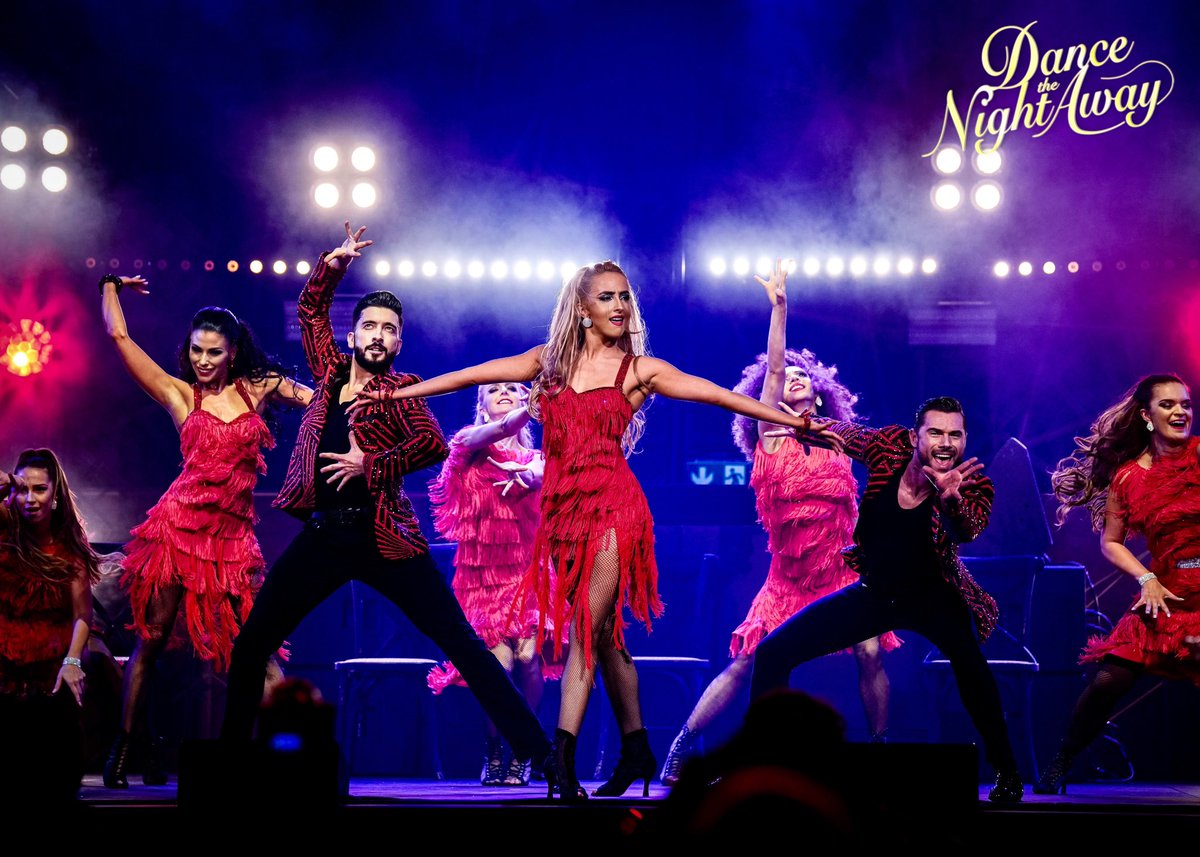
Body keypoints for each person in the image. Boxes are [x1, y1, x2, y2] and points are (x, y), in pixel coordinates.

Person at [356, 258, 829, 801]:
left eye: (625, 296)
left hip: (615, 509)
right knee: (606, 639)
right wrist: (394, 394)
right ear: (582, 309)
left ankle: (559, 755)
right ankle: (637, 749)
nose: (620, 306)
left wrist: (792, 421)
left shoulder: (639, 370)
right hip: (563, 517)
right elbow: (470, 374)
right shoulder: (547, 364)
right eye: (607, 297)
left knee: (584, 626)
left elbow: (715, 393)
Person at [220, 223, 553, 780]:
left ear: (398, 343)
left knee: (463, 645)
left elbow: (429, 442)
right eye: (369, 326)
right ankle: (230, 766)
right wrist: (335, 264)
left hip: (385, 537)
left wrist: (367, 464)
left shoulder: (403, 389)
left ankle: (542, 758)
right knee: (252, 642)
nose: (377, 335)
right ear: (353, 336)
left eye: (388, 330)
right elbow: (310, 311)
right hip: (325, 535)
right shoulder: (328, 375)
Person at [659, 261, 897, 785]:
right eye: (784, 376)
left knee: (870, 651)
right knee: (748, 662)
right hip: (787, 580)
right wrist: (780, 309)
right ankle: (680, 749)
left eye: (800, 375)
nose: (790, 378)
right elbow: (771, 370)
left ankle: (880, 754)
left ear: (818, 390)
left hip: (841, 575)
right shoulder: (772, 436)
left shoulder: (839, 440)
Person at [748, 396, 1025, 803]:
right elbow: (841, 433)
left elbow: (966, 530)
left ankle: (1008, 773)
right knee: (772, 653)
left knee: (973, 673)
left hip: (937, 597)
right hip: (876, 594)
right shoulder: (889, 448)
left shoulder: (972, 483)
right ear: (915, 437)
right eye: (935, 432)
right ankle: (759, 769)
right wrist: (798, 425)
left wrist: (951, 504)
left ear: (965, 440)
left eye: (955, 434)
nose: (945, 442)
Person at [99, 273, 312, 787]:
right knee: (150, 641)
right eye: (196, 350)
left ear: (233, 352)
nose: (203, 360)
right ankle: (125, 749)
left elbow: (321, 402)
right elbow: (121, 339)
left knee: (256, 649)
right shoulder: (179, 394)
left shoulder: (257, 388)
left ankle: (288, 755)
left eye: (214, 352)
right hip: (176, 532)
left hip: (233, 542)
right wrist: (110, 286)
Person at [1036, 373, 1200, 794]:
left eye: (1185, 403)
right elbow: (1111, 543)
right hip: (1164, 593)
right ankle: (1063, 760)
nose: (1180, 411)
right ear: (1147, 416)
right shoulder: (1129, 477)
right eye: (1168, 405)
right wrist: (1145, 577)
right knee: (1108, 682)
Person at [425, 381, 565, 786]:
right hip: (482, 579)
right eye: (494, 390)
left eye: (514, 389)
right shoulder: (466, 446)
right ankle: (495, 751)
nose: (504, 392)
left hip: (529, 575)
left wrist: (533, 476)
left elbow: (547, 473)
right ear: (481, 403)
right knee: (498, 666)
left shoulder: (540, 458)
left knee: (527, 658)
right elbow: (499, 431)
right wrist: (533, 406)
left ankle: (526, 747)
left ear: (525, 398)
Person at [0, 449, 100, 804]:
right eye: (23, 489)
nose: (30, 499)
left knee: (53, 777)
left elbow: (82, 616)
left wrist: (73, 661)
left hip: (49, 667)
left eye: (39, 489)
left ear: (55, 495)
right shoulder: (3, 529)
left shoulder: (69, 547)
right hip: (5, 664)